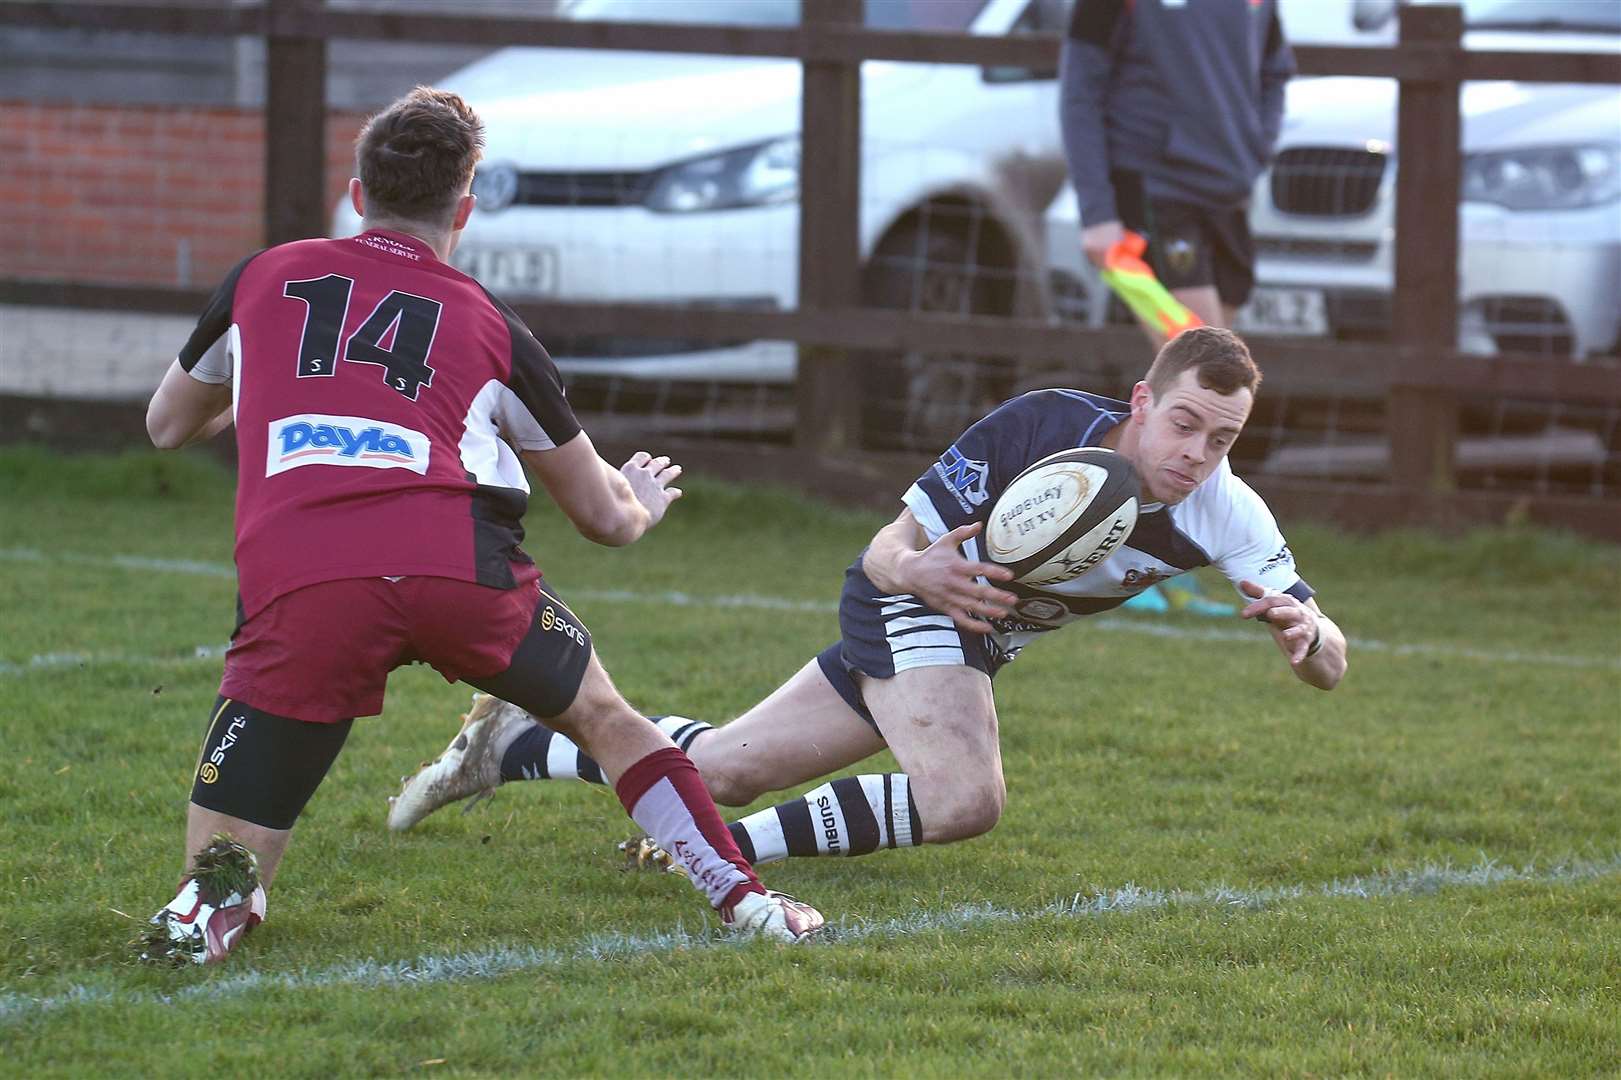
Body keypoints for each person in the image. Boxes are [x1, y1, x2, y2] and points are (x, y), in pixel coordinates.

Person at [139, 86, 822, 964]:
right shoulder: (491, 325)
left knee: (226, 857)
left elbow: (165, 424)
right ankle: (744, 900)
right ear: (464, 208)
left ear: (355, 194)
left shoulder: (263, 276)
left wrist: (283, 395)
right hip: (459, 574)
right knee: (608, 719)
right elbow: (603, 517)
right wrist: (641, 505)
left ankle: (208, 911)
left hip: (305, 583)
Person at [388, 327, 1348, 874]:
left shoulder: (1228, 514)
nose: (1195, 453)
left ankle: (518, 746)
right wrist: (919, 571)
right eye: (1183, 423)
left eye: (1220, 439)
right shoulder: (1046, 427)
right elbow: (887, 546)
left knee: (722, 766)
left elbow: (1328, 659)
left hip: (971, 638)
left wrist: (1309, 638)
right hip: (910, 604)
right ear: (1141, 402)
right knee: (964, 797)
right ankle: (720, 855)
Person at [1060, 0, 1296, 345]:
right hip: (1153, 188)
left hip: (1230, 190)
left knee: (1195, 375)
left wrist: (1256, 147)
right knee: (1205, 364)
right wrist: (1096, 213)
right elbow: (1080, 92)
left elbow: (1275, 70)